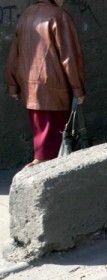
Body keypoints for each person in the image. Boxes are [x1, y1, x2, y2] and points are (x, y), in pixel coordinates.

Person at [5, 0, 86, 168]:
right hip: (54, 89)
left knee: (43, 139)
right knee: (56, 147)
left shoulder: (25, 16)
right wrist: (78, 89)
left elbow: (14, 55)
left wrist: (13, 84)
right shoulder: (59, 16)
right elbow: (70, 58)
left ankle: (39, 166)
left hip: (31, 89)